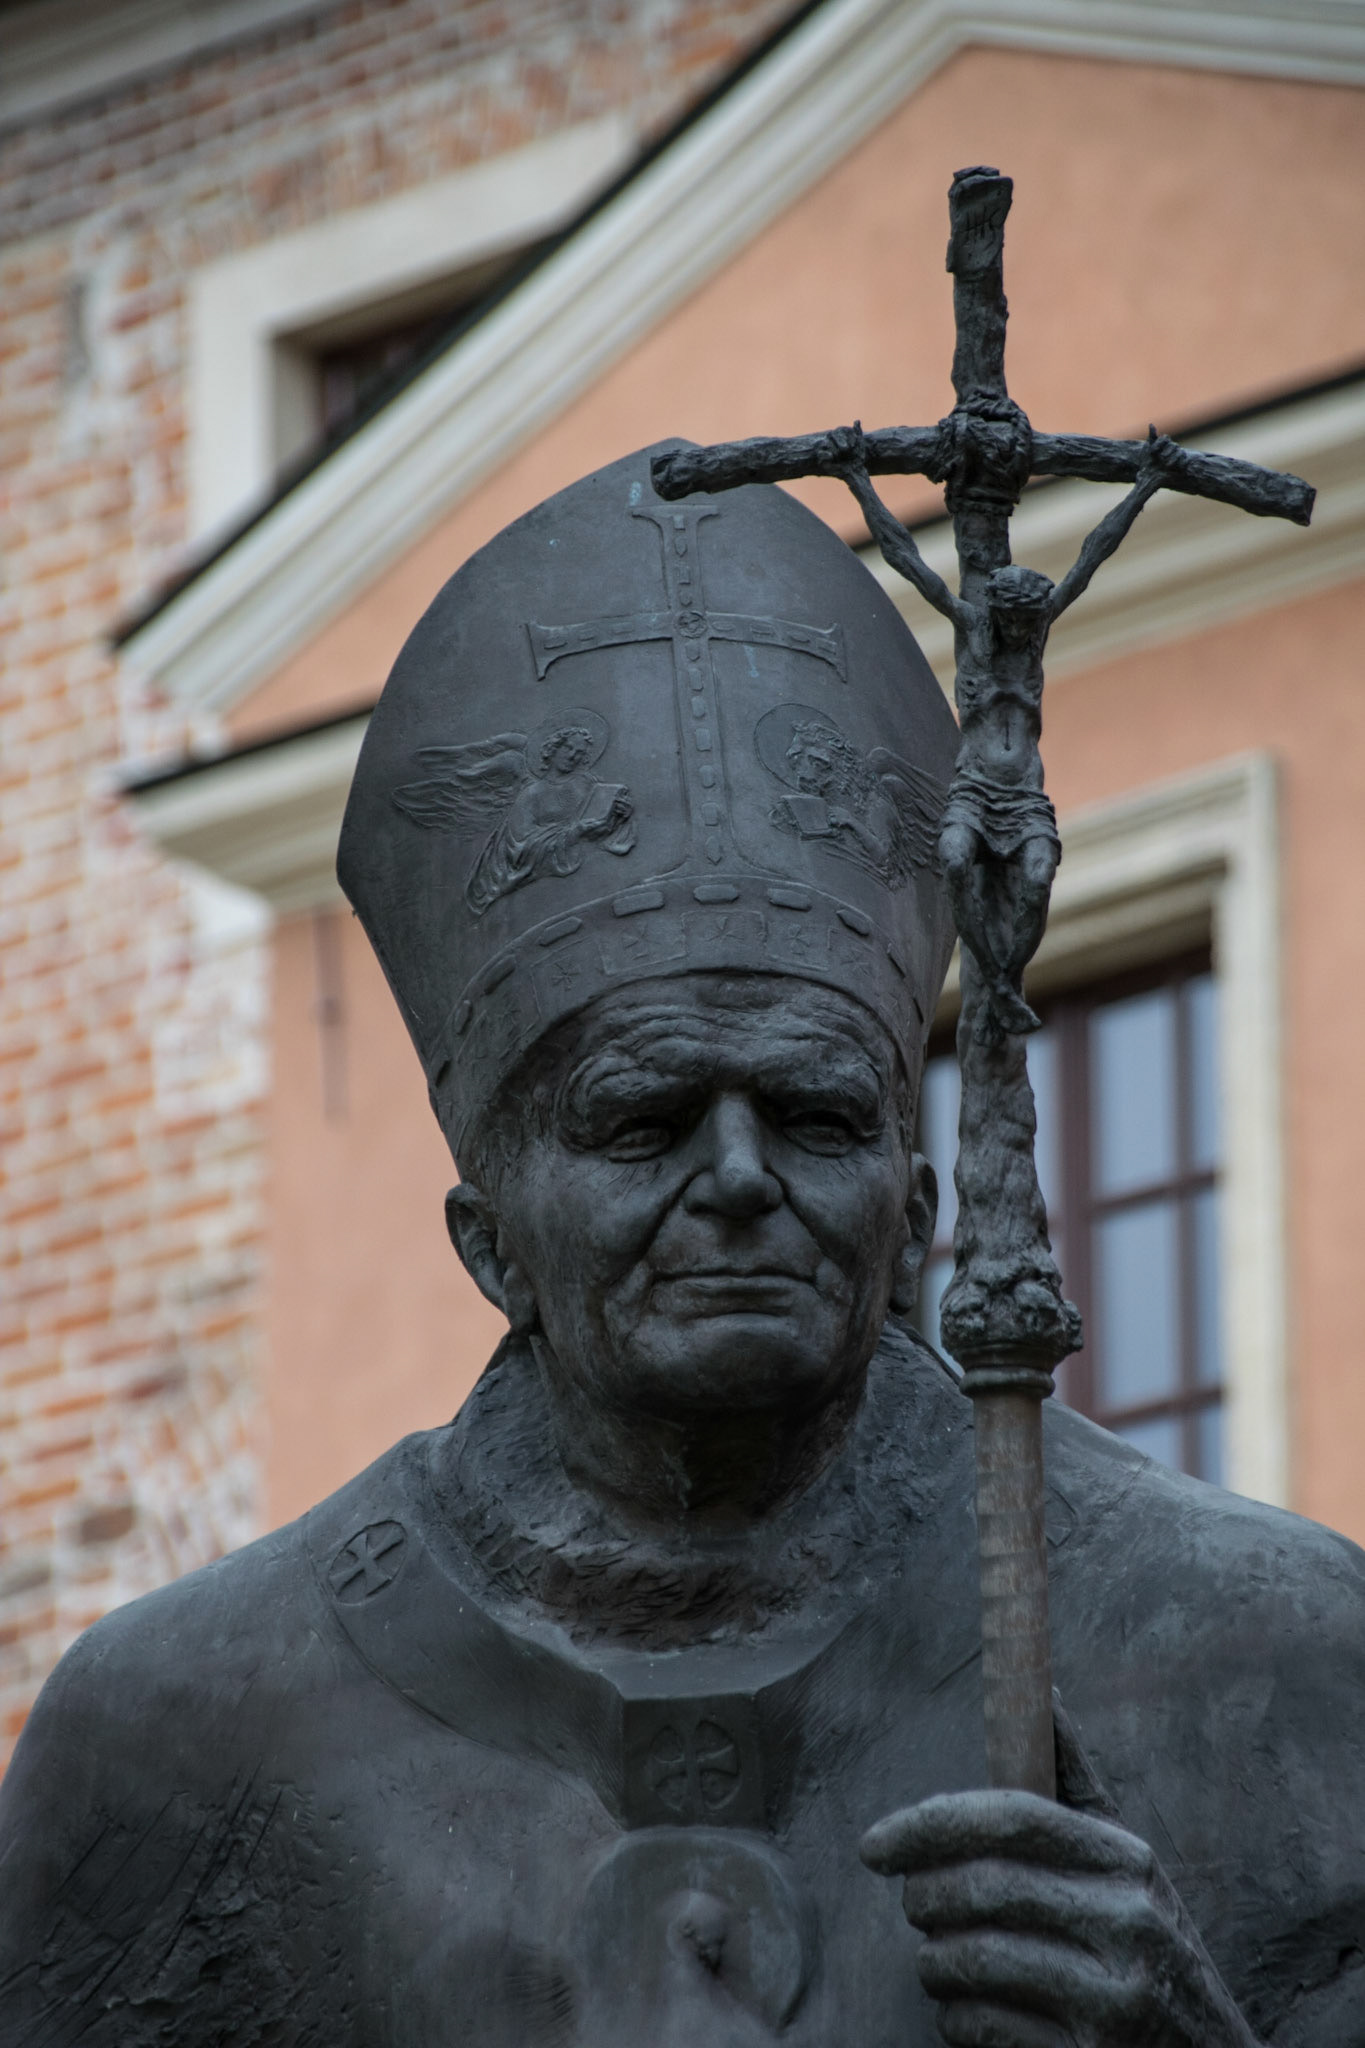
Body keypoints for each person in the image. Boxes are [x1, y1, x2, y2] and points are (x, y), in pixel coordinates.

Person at [1, 449, 1362, 2047]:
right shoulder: (186, 1729)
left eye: (815, 1116)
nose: (736, 1178)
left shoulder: (1262, 1647)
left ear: (916, 1212)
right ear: (486, 1243)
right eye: (644, 1123)